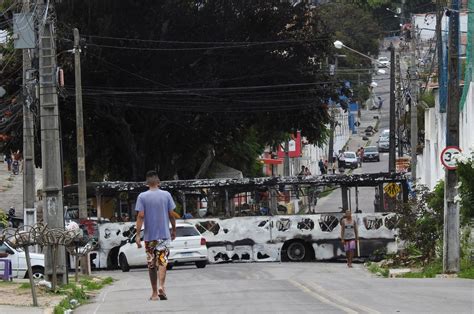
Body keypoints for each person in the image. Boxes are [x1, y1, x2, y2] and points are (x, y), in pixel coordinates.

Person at [135, 170, 176, 301]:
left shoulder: (142, 197)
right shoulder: (167, 195)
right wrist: (174, 229)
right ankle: (162, 287)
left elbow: (140, 216)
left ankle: (154, 293)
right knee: (162, 261)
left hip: (149, 237)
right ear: (159, 182)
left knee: (151, 264)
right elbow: (171, 215)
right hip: (164, 235)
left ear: (147, 183)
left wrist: (137, 235)